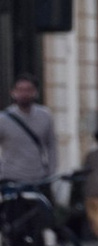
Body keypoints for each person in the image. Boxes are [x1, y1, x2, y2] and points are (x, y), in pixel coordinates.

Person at [0, 75, 58, 203]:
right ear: (13, 93)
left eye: (28, 90)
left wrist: (51, 172)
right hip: (11, 178)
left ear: (35, 93)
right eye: (20, 90)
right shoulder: (3, 119)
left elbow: (52, 145)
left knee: (40, 219)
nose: (24, 94)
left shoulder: (45, 116)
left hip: (38, 179)